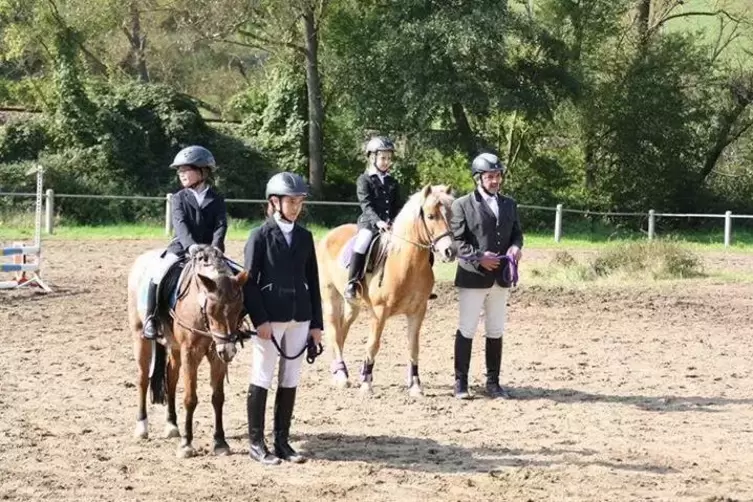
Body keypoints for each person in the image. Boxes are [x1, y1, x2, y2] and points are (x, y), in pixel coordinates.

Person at [242, 171, 324, 465]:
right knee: (262, 376)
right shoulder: (259, 236)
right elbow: (249, 282)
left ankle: (282, 441)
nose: (297, 206)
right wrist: (259, 320)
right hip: (270, 319)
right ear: (274, 202)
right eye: (292, 201)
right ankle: (256, 444)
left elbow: (313, 281)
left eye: (300, 201)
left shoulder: (305, 237)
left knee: (290, 378)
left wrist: (317, 324)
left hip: (300, 316)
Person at [450, 152, 523, 400]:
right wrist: (479, 256)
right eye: (490, 176)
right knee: (467, 328)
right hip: (473, 275)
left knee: (495, 329)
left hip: (501, 276)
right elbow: (458, 242)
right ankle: (460, 382)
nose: (495, 181)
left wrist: (515, 248)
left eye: (498, 176)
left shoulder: (509, 204)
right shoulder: (461, 205)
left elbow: (517, 234)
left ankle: (493, 382)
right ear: (478, 179)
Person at [142, 145, 227, 340]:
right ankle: (152, 318)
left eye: (185, 169)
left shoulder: (217, 198)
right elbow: (180, 224)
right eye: (179, 171)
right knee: (158, 273)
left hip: (210, 250)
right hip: (182, 248)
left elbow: (221, 225)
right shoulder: (179, 198)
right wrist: (190, 246)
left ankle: (236, 320)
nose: (181, 174)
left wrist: (215, 246)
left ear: (203, 171)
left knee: (233, 278)